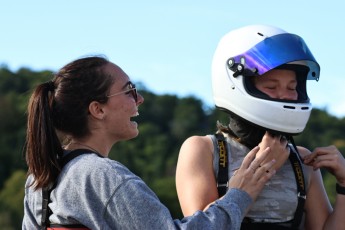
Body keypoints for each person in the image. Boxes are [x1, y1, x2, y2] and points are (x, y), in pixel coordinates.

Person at [22, 55, 279, 230]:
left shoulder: (39, 178)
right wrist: (240, 195)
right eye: (129, 90)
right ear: (98, 110)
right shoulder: (103, 176)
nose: (140, 99)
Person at [176, 25, 345, 230]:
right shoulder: (203, 149)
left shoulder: (302, 161)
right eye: (271, 87)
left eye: (292, 87)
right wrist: (264, 165)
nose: (285, 95)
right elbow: (202, 226)